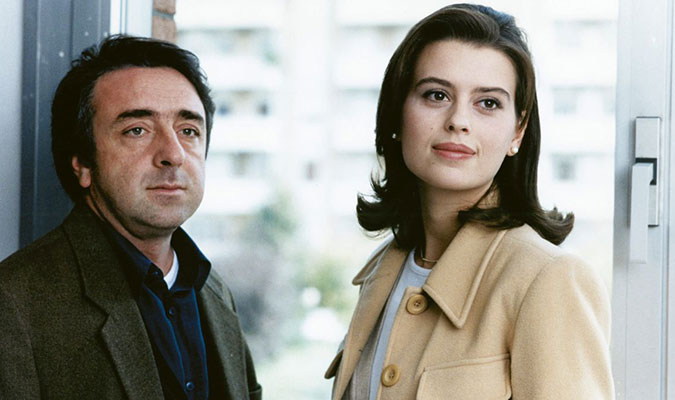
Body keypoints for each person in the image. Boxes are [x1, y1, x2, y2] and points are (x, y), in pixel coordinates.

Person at [325, 4, 613, 399]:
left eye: (488, 103)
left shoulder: (548, 280)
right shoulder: (381, 272)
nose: (458, 120)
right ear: (396, 114)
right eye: (436, 95)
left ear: (518, 132)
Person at [0, 35, 261, 400]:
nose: (173, 154)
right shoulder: (15, 303)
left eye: (188, 131)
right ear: (83, 164)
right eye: (137, 130)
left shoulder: (214, 292)